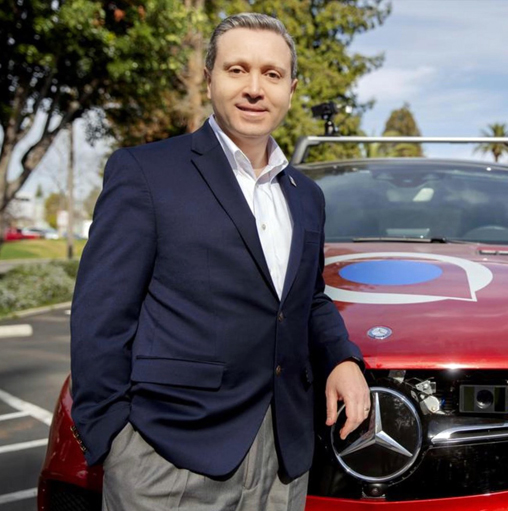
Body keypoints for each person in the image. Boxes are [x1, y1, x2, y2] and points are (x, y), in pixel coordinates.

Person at [69, 13, 370, 511]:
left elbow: (306, 300)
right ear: (209, 77)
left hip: (281, 463)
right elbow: (100, 317)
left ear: (291, 89)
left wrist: (342, 357)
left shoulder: (306, 196)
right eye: (237, 69)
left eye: (271, 74)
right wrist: (113, 441)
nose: (255, 88)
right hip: (167, 460)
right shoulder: (145, 172)